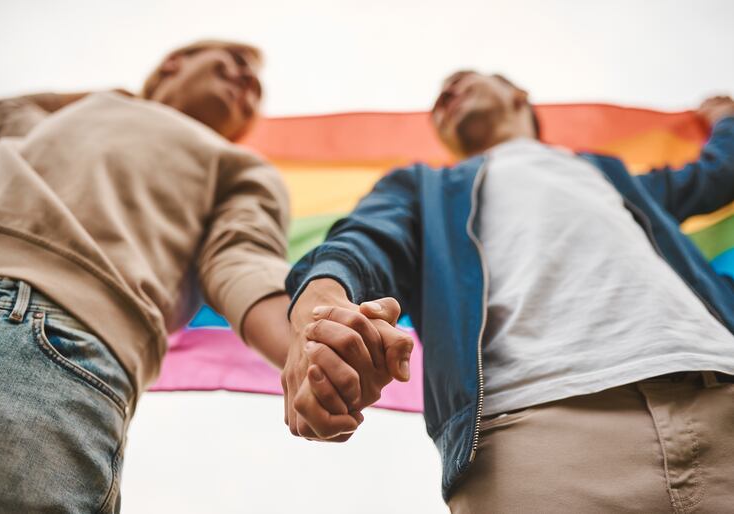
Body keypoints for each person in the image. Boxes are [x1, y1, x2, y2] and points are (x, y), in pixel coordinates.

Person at [283, 71, 734, 512]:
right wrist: (319, 308)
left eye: (462, 81)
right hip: (531, 437)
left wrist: (725, 118)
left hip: (720, 393)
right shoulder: (425, 188)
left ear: (518, 94)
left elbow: (718, 176)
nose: (446, 95)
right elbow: (364, 241)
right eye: (439, 99)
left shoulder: (608, 172)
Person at [0, 39, 300, 512]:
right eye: (237, 64)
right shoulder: (64, 120)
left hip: (52, 336)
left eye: (256, 91)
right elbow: (1, 109)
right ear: (173, 62)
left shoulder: (240, 167)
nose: (248, 83)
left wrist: (302, 349)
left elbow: (240, 261)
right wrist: (117, 98)